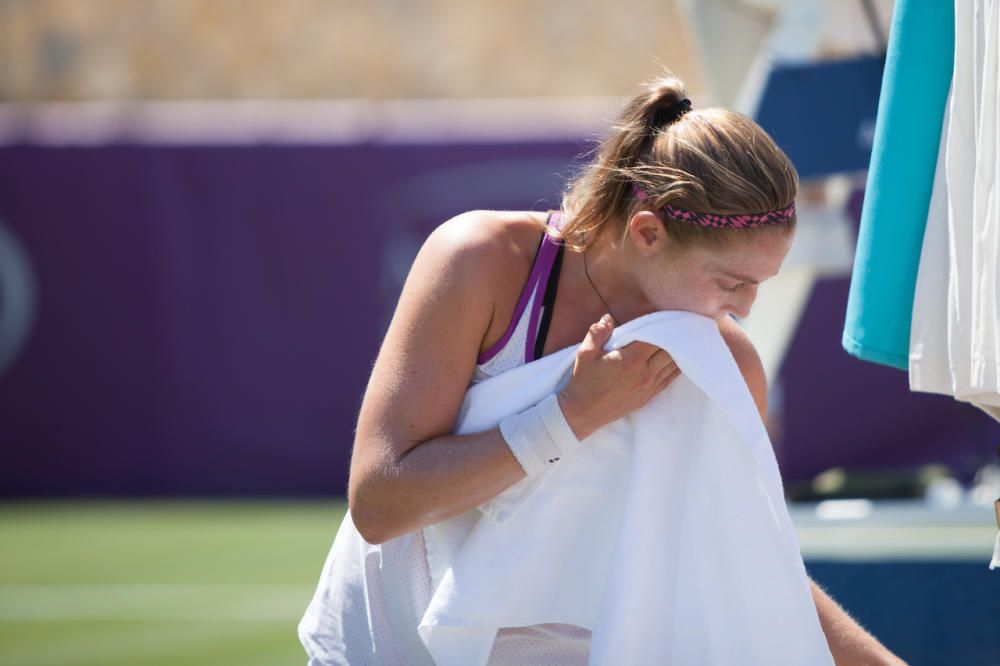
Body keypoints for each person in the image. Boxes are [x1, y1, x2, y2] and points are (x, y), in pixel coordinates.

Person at [300, 71, 906, 665]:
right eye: (731, 282)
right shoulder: (478, 260)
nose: (744, 309)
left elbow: (753, 559)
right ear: (647, 232)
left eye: (758, 286)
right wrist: (569, 417)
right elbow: (380, 505)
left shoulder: (726, 361)